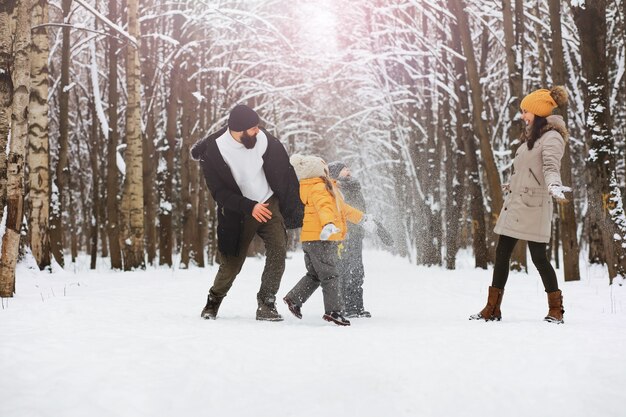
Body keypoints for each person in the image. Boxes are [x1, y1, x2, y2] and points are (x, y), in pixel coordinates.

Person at [190, 104, 303, 321]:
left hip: (268, 203)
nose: (258, 131)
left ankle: (266, 304)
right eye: (252, 128)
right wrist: (249, 206)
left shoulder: (264, 140)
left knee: (279, 251)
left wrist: (289, 203)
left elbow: (284, 171)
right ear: (238, 129)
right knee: (232, 264)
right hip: (239, 212)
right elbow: (219, 193)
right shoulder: (214, 152)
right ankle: (213, 302)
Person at [470, 86, 571, 324]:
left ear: (537, 112)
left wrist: (554, 186)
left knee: (538, 257)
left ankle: (556, 310)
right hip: (517, 203)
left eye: (526, 111)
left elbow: (550, 167)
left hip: (534, 206)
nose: (523, 115)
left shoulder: (552, 137)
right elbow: (528, 170)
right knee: (502, 252)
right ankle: (492, 308)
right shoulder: (531, 137)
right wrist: (513, 184)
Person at [282, 154, 377, 326]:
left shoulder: (318, 187)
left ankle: (294, 298)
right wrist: (328, 224)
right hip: (321, 238)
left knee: (315, 275)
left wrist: (363, 219)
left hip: (311, 239)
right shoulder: (320, 188)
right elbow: (324, 207)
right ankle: (334, 312)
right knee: (331, 275)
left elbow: (344, 209)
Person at [328, 161, 371, 318]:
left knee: (358, 270)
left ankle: (358, 306)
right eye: (343, 169)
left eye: (347, 168)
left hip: (356, 234)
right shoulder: (336, 188)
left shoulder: (353, 186)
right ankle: (347, 306)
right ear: (335, 174)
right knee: (346, 270)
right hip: (344, 235)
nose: (348, 170)